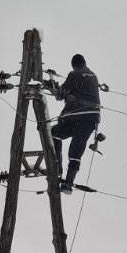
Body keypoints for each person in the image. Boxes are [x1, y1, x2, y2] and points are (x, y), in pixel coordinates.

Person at [51, 53, 101, 194]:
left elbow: (61, 93)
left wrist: (55, 89)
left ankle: (57, 168)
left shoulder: (74, 74)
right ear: (84, 63)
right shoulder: (93, 76)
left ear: (73, 65)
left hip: (78, 115)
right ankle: (68, 183)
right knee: (76, 149)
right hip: (91, 118)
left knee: (54, 133)